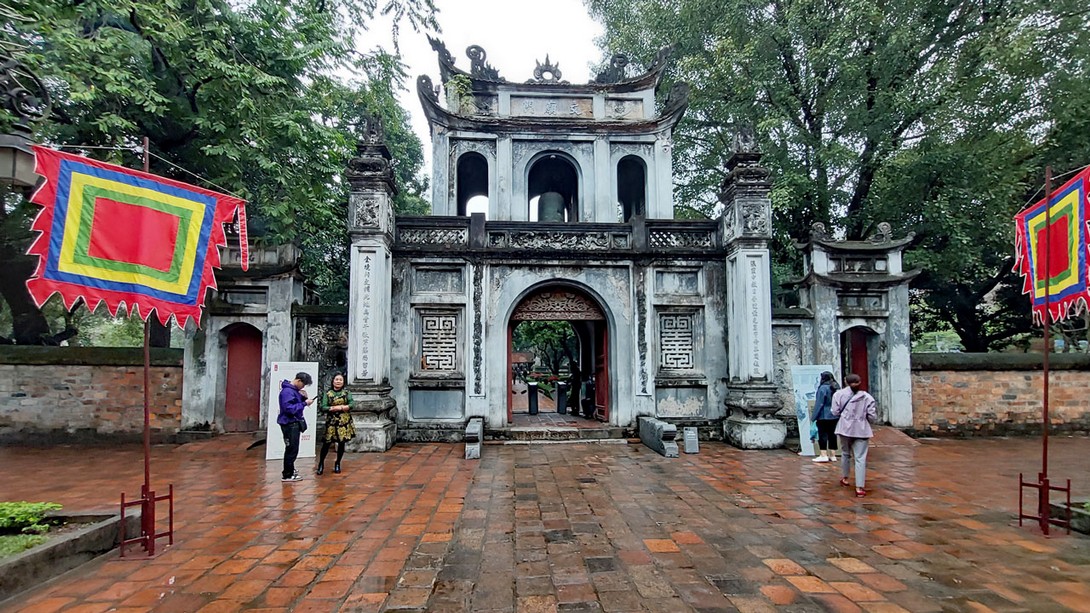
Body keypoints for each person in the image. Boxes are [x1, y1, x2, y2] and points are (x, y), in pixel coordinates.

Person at [830, 373, 878, 497]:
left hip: (844, 427)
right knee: (860, 458)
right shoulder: (867, 397)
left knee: (845, 453)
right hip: (861, 429)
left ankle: (845, 478)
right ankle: (859, 487)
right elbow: (872, 417)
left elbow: (834, 412)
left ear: (846, 382)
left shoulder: (838, 395)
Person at [278, 372, 314, 483]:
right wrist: (304, 404)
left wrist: (303, 398)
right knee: (291, 449)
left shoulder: (292, 391)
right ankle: (287, 474)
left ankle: (290, 470)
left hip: (293, 423)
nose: (303, 387)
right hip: (290, 423)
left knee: (293, 448)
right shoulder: (287, 392)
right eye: (303, 384)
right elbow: (289, 408)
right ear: (298, 381)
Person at [317, 372, 355, 475]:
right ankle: (321, 463)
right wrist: (332, 408)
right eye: (336, 379)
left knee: (341, 443)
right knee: (327, 443)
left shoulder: (346, 393)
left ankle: (338, 463)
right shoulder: (328, 393)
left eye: (340, 380)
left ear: (343, 382)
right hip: (332, 421)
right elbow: (323, 407)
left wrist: (342, 407)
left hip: (344, 421)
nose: (338, 381)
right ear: (333, 381)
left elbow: (352, 404)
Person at [811, 372, 839, 463]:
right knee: (832, 434)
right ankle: (833, 454)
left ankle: (823, 454)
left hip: (823, 415)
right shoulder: (836, 387)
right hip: (834, 415)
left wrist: (814, 416)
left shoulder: (823, 388)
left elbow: (819, 403)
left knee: (823, 434)